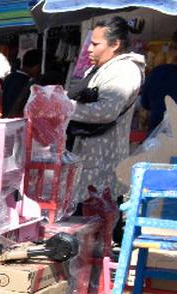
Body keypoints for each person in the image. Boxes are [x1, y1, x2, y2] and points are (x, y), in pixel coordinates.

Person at [68, 16, 146, 198]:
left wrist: (64, 107)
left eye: (95, 44)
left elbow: (106, 112)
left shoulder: (124, 70)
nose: (89, 49)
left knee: (98, 209)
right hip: (86, 161)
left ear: (115, 44)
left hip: (102, 165)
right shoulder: (100, 68)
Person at [140, 25, 177, 135]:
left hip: (160, 139)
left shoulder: (158, 73)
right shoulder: (159, 73)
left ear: (174, 48)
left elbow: (146, 104)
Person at [1, 49, 42, 118]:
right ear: (37, 66)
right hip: (18, 120)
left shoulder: (9, 77)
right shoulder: (28, 83)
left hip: (5, 118)